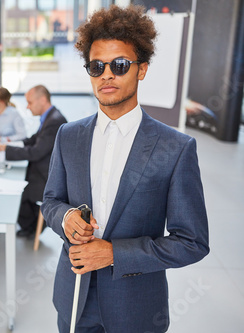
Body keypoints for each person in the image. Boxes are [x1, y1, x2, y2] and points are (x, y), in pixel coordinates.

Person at [41, 5, 209, 333]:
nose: (107, 75)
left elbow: (192, 242)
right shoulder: (68, 136)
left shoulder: (175, 148)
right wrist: (65, 218)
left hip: (136, 310)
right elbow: (50, 201)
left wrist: (115, 253)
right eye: (96, 66)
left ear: (141, 69)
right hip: (73, 300)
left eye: (119, 65)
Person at [0, 85, 67, 238]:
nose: (27, 106)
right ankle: (31, 226)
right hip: (41, 168)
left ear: (43, 100)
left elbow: (36, 152)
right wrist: (6, 146)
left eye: (30, 102)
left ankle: (33, 225)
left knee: (16, 193)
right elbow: (34, 140)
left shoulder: (54, 121)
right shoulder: (50, 117)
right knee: (12, 179)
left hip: (45, 176)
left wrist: (5, 150)